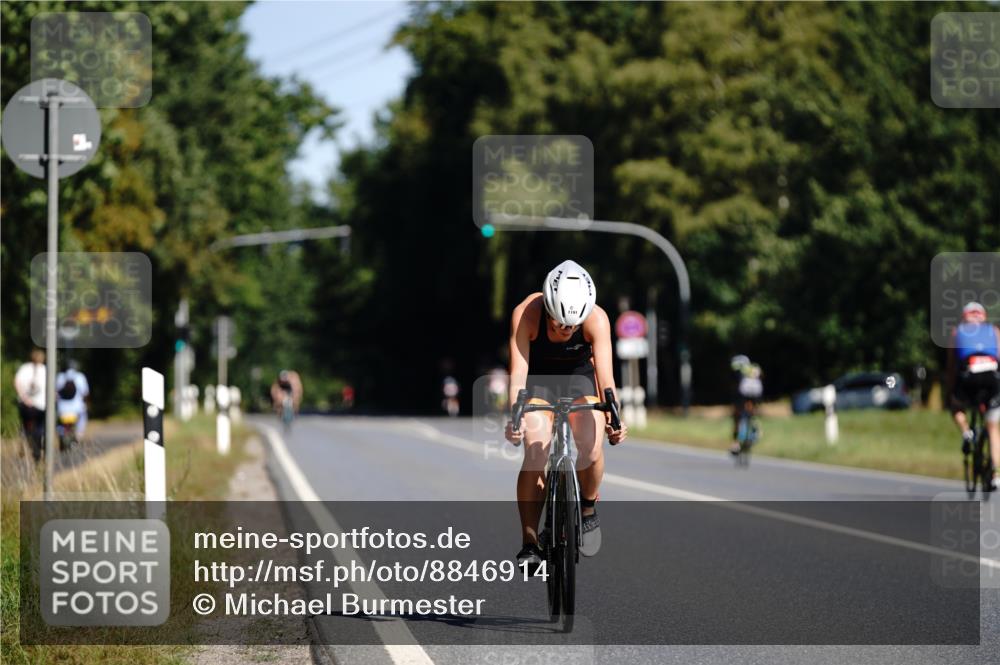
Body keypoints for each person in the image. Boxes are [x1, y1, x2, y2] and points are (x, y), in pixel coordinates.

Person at [505, 260, 627, 570]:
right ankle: (530, 541)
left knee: (592, 445)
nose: (566, 329)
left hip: (579, 378)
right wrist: (515, 415)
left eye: (573, 324)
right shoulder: (526, 314)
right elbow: (518, 373)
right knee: (535, 450)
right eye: (559, 323)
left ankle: (587, 507)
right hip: (539, 380)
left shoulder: (597, 319)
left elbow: (606, 379)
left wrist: (614, 416)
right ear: (547, 306)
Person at [946, 301, 1000, 489]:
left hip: (969, 376)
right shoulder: (993, 330)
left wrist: (951, 391)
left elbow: (952, 366)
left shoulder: (957, 331)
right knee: (993, 428)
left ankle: (967, 432)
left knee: (956, 407)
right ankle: (995, 474)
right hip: (992, 377)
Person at [13, 349, 47, 461]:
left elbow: (16, 382)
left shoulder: (25, 368)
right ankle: (38, 448)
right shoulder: (44, 370)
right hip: (40, 406)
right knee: (39, 428)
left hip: (26, 405)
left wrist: (23, 398)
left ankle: (26, 442)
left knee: (26, 427)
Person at [729, 355, 763, 455]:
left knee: (738, 415)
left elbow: (737, 386)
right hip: (757, 391)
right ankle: (756, 429)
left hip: (744, 392)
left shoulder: (737, 368)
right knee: (753, 413)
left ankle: (736, 443)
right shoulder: (754, 367)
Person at [56, 360, 90, 438]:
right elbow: (85, 393)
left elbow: (56, 392)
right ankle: (79, 434)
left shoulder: (60, 376)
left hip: (62, 408)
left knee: (58, 421)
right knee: (83, 415)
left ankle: (61, 433)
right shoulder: (80, 377)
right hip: (77, 408)